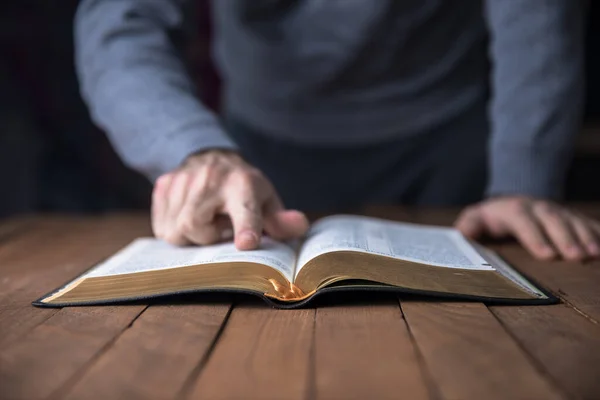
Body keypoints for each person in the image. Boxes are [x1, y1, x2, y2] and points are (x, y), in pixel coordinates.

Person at [74, 0, 600, 260]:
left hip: (456, 146)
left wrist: (523, 174)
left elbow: (535, 13)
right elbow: (121, 25)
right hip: (256, 154)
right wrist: (191, 149)